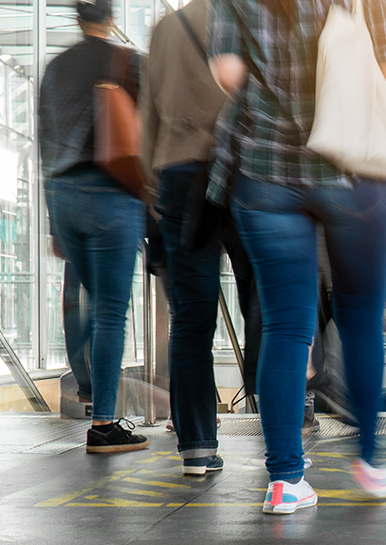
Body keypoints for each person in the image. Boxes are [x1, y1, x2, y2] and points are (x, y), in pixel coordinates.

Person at [207, 0, 386, 514]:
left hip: (264, 172)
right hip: (353, 169)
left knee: (285, 326)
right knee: (363, 320)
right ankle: (369, 460)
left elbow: (227, 69)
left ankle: (285, 480)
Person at [140, 0, 266, 476]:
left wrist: (154, 182)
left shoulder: (165, 29)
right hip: (243, 171)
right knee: (265, 301)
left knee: (192, 316)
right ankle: (278, 428)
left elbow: (146, 115)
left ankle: (195, 444)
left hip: (178, 174)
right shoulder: (249, 19)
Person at [38, 0, 149, 454]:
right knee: (110, 312)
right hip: (112, 198)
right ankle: (104, 420)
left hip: (64, 196)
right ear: (112, 17)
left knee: (82, 293)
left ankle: (85, 383)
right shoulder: (128, 61)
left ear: (78, 17)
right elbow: (152, 132)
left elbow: (44, 142)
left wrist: (53, 219)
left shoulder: (55, 69)